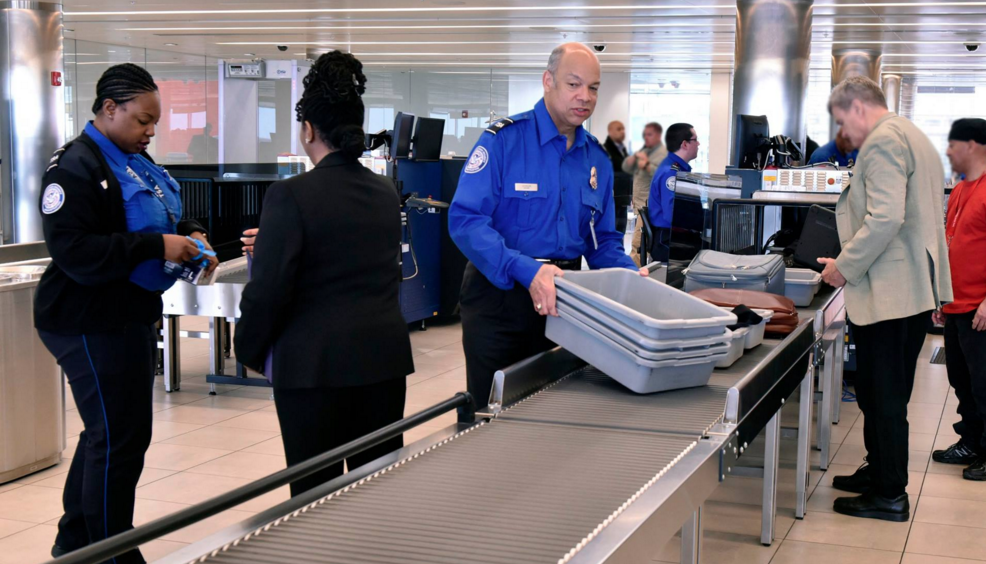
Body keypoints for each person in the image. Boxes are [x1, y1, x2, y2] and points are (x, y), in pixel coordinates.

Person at [34, 63, 217, 563]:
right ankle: (112, 551)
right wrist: (157, 246)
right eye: (143, 120)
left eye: (154, 121)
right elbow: (75, 252)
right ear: (110, 109)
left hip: (128, 315)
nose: (150, 131)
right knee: (119, 437)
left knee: (113, 431)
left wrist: (189, 232)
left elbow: (159, 212)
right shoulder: (75, 168)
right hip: (86, 319)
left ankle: (75, 541)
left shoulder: (133, 160)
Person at [233, 52, 413, 498]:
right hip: (382, 360)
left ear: (308, 130)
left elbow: (270, 289)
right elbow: (350, 250)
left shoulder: (289, 195)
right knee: (377, 487)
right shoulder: (384, 191)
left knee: (316, 494)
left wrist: (248, 348)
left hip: (314, 369)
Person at [448, 42, 647, 407]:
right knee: (493, 416)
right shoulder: (504, 141)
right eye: (574, 84)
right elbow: (465, 220)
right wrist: (527, 271)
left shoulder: (596, 159)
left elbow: (602, 240)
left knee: (553, 412)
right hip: (500, 299)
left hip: (563, 302)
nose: (585, 96)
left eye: (593, 87)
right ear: (548, 81)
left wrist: (630, 278)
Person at [818, 76, 952, 522]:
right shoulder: (910, 133)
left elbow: (885, 218)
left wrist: (843, 266)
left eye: (843, 122)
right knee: (880, 393)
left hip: (891, 292)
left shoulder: (881, 141)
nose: (845, 134)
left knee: (885, 395)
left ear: (858, 107)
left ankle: (890, 494)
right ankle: (878, 473)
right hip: (909, 286)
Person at [932, 118, 986, 481]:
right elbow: (951, 244)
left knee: (984, 384)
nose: (948, 152)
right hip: (956, 304)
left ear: (973, 145)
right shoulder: (961, 189)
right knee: (962, 382)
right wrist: (941, 296)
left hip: (980, 308)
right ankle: (971, 442)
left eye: (953, 145)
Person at [646, 123, 700, 263]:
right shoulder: (671, 173)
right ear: (685, 144)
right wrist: (701, 221)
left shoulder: (678, 169)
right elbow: (672, 213)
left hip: (674, 235)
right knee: (709, 253)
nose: (698, 144)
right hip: (668, 240)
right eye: (695, 140)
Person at [623, 122, 667, 265]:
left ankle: (634, 272)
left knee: (639, 244)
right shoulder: (646, 151)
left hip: (649, 206)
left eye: (650, 134)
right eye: (645, 134)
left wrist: (647, 165)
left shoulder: (662, 154)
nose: (646, 137)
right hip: (640, 203)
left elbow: (661, 175)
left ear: (658, 135)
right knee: (641, 243)